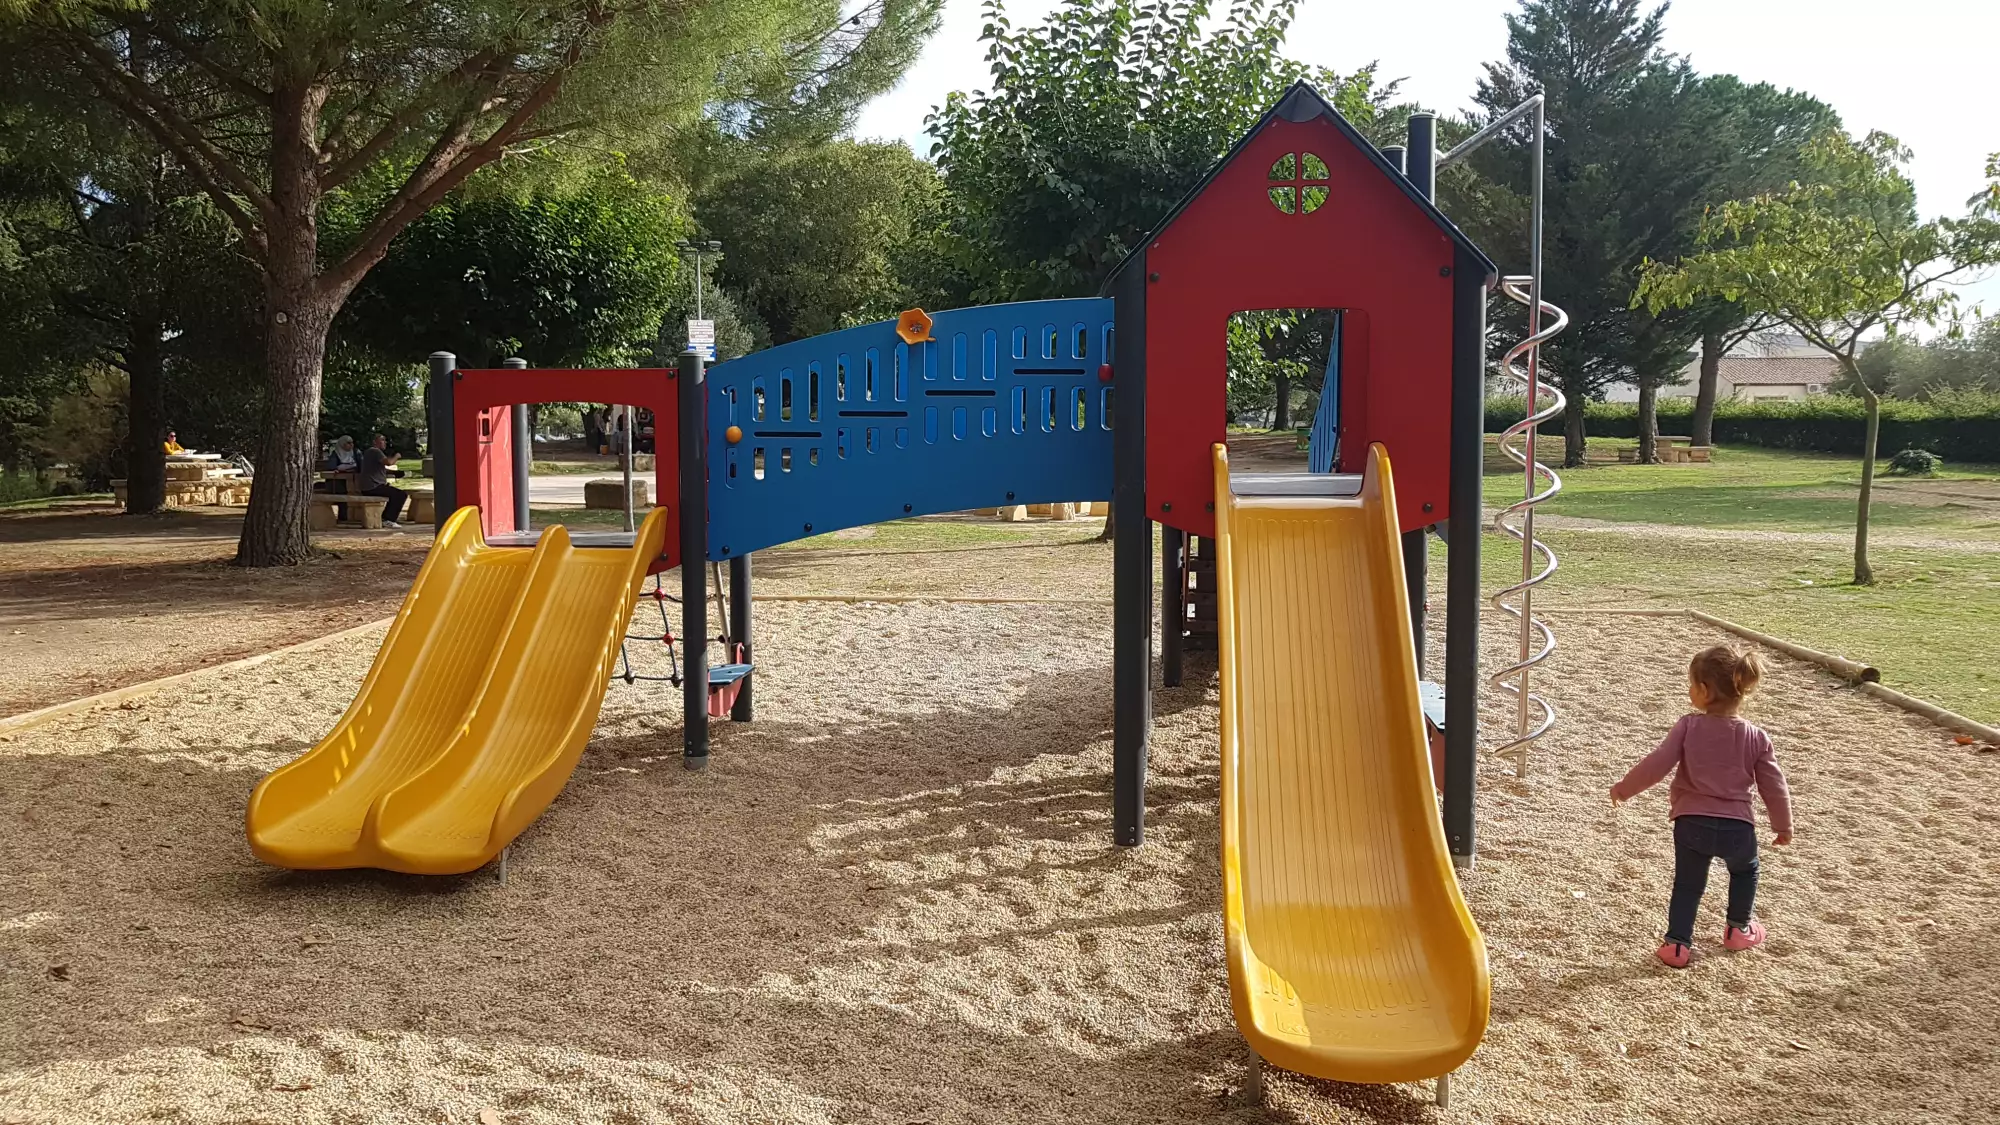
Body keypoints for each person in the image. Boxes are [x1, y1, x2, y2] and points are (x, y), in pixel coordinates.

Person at [1612, 645, 1793, 968]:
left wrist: (1625, 789)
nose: (1689, 691)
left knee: (1688, 884)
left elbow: (1658, 763)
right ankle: (1738, 929)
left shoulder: (1688, 727)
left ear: (1705, 691)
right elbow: (1774, 785)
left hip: (1691, 823)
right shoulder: (1757, 737)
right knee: (1745, 871)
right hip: (1738, 826)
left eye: (1691, 685)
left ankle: (1677, 945)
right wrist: (1783, 825)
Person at [357, 433, 407, 528]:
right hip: (373, 487)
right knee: (400, 495)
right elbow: (389, 462)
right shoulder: (375, 451)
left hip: (370, 487)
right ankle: (388, 519)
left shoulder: (369, 452)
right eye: (382, 440)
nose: (385, 442)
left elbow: (379, 469)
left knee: (396, 493)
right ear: (374, 442)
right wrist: (397, 456)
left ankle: (387, 518)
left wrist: (395, 473)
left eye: (385, 440)